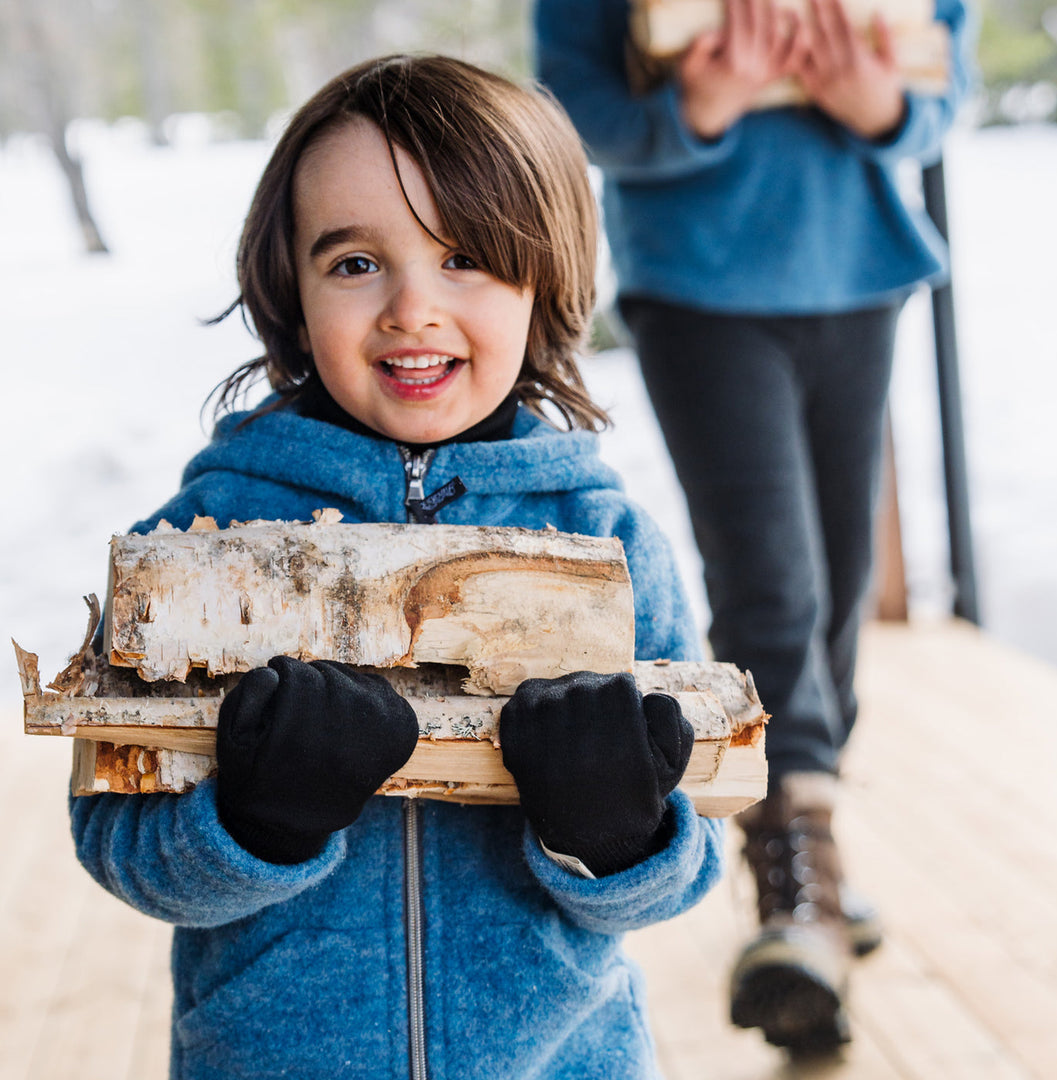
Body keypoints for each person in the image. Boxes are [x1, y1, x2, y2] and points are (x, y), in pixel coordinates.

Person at [69, 55, 725, 1079]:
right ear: (290, 287)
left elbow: (689, 868)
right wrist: (257, 821)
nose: (411, 309)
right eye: (356, 263)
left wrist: (616, 834)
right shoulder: (199, 538)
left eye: (463, 255)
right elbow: (118, 839)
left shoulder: (608, 540)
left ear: (544, 273)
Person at [535, 0, 974, 1054]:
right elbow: (578, 110)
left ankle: (812, 843)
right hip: (701, 284)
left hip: (857, 275)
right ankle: (793, 894)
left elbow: (939, 82)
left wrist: (875, 104)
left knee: (836, 581)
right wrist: (701, 105)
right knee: (771, 583)